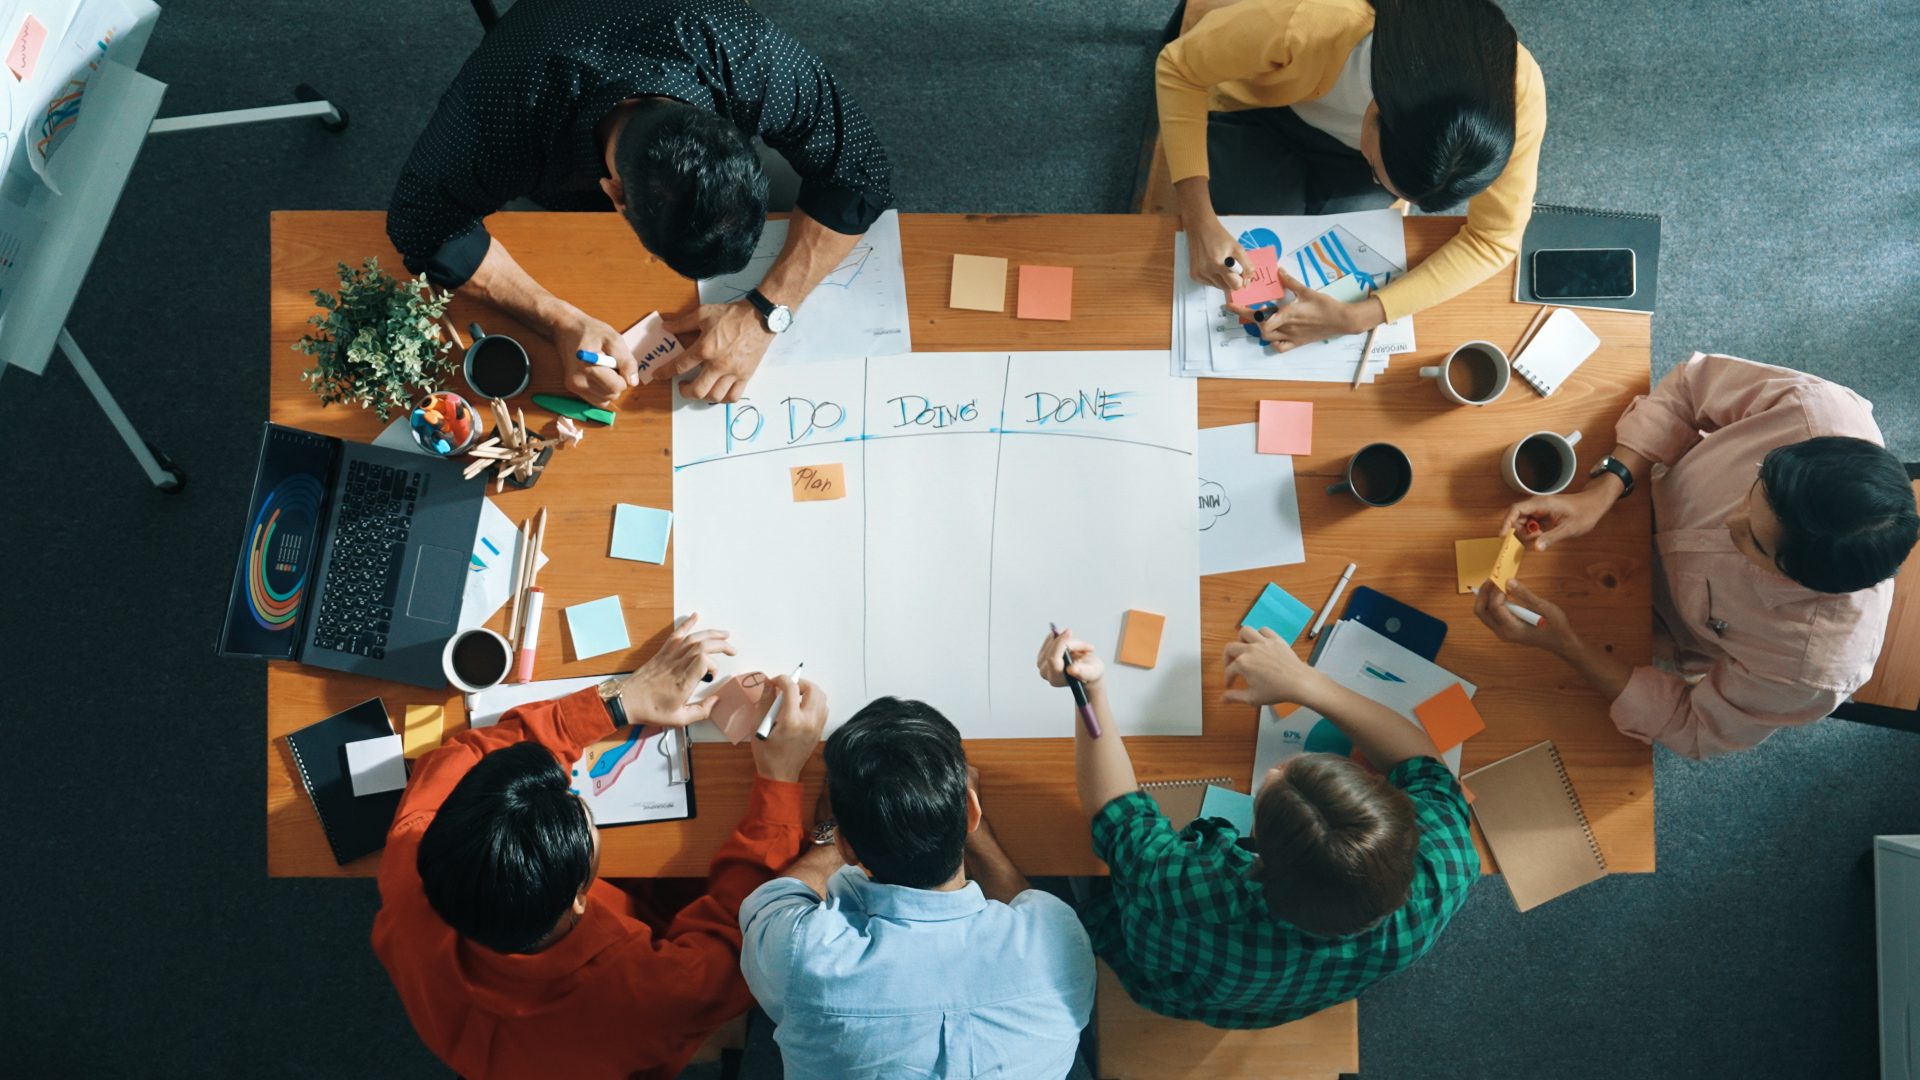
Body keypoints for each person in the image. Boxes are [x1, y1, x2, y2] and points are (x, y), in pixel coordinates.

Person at [371, 614, 832, 1080]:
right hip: (608, 1034)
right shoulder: (653, 993)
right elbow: (746, 937)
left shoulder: (419, 851)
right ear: (577, 896)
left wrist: (618, 703)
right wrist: (779, 779)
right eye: (578, 804)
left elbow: (463, 759)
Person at [387, 0, 893, 407]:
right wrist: (557, 319)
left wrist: (766, 310)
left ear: (735, 131)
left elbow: (860, 168)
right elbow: (422, 224)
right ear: (615, 196)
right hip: (538, 95)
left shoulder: (742, 52)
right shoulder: (497, 121)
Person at [1478, 353, 1918, 759]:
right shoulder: (1816, 411)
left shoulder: (1809, 668)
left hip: (1641, 626)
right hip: (1632, 488)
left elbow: (1691, 726)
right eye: (1756, 487)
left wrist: (1567, 645)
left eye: (1755, 544)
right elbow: (1689, 390)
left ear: (1801, 583)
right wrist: (1605, 488)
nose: (1731, 522)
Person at [1040, 626, 1477, 1027]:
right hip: (1281, 995)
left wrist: (1091, 690)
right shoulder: (1447, 869)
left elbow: (1118, 817)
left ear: (1256, 861)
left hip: (1181, 981)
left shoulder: (1192, 891)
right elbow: (1427, 770)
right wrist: (1307, 682)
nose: (1275, 770)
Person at [739, 697, 1096, 1078]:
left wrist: (832, 834)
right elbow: (1025, 906)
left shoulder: (803, 954)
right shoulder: (1058, 939)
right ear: (971, 812)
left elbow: (777, 899)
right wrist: (972, 830)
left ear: (846, 846)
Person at [1156, 0, 1544, 350]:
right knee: (1258, 231)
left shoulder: (1513, 99)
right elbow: (1178, 66)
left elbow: (1494, 241)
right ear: (1374, 109)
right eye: (1380, 174)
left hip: (1358, 158)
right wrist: (1198, 219)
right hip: (1259, 112)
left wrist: (1359, 317)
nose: (1383, 188)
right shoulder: (1312, 21)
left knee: (1326, 256)